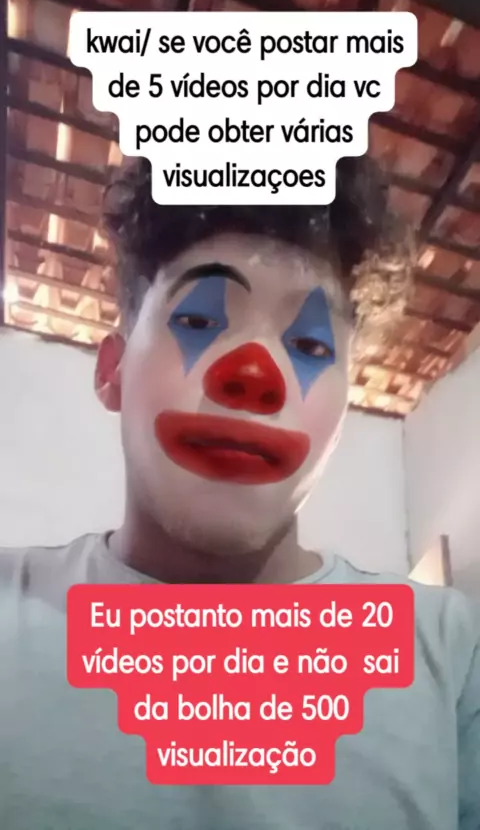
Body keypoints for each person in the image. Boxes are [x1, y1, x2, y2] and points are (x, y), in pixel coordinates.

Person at [0, 157, 478, 830]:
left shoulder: (452, 652)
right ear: (113, 372)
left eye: (310, 344)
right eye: (199, 322)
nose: (254, 376)